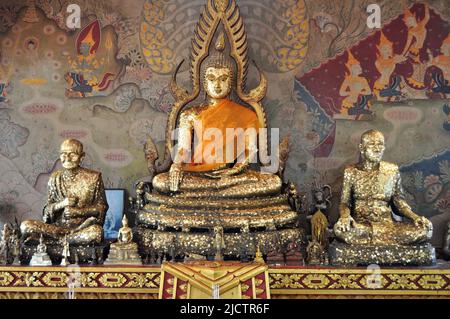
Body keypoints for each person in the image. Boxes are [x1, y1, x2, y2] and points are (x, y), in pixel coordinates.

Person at [334, 129, 432, 245]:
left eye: (380, 144)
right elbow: (344, 202)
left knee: (425, 231)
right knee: (339, 230)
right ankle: (385, 241)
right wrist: (345, 216)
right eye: (372, 144)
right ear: (361, 148)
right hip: (361, 225)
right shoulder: (351, 172)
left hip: (388, 225)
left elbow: (399, 202)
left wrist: (415, 217)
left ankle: (375, 241)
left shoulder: (391, 171)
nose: (377, 149)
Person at [21, 139, 108, 246]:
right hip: (57, 229)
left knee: (96, 232)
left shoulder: (94, 177)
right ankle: (68, 240)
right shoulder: (54, 178)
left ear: (82, 156)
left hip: (82, 228)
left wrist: (79, 212)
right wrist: (61, 204)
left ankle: (54, 242)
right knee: (26, 226)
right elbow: (47, 210)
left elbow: (101, 208)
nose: (67, 158)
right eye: (63, 154)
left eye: (72, 154)